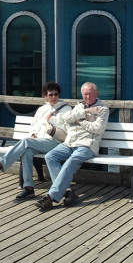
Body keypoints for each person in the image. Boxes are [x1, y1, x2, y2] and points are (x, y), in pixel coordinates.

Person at [31, 82, 109, 210]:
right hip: (70, 142)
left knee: (70, 162)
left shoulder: (103, 110)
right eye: (85, 94)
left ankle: (51, 197)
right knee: (50, 156)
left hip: (87, 145)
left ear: (96, 93)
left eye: (90, 93)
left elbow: (97, 129)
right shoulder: (79, 106)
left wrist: (80, 121)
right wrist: (86, 112)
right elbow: (66, 118)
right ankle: (66, 191)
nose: (87, 96)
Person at [0, 85, 73, 198]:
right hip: (40, 142)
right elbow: (34, 126)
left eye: (56, 94)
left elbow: (67, 130)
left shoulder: (66, 109)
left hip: (56, 142)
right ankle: (29, 188)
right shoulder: (41, 110)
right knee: (27, 151)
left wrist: (53, 120)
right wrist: (33, 134)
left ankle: (1, 162)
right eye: (51, 95)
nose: (54, 97)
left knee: (26, 142)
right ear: (45, 96)